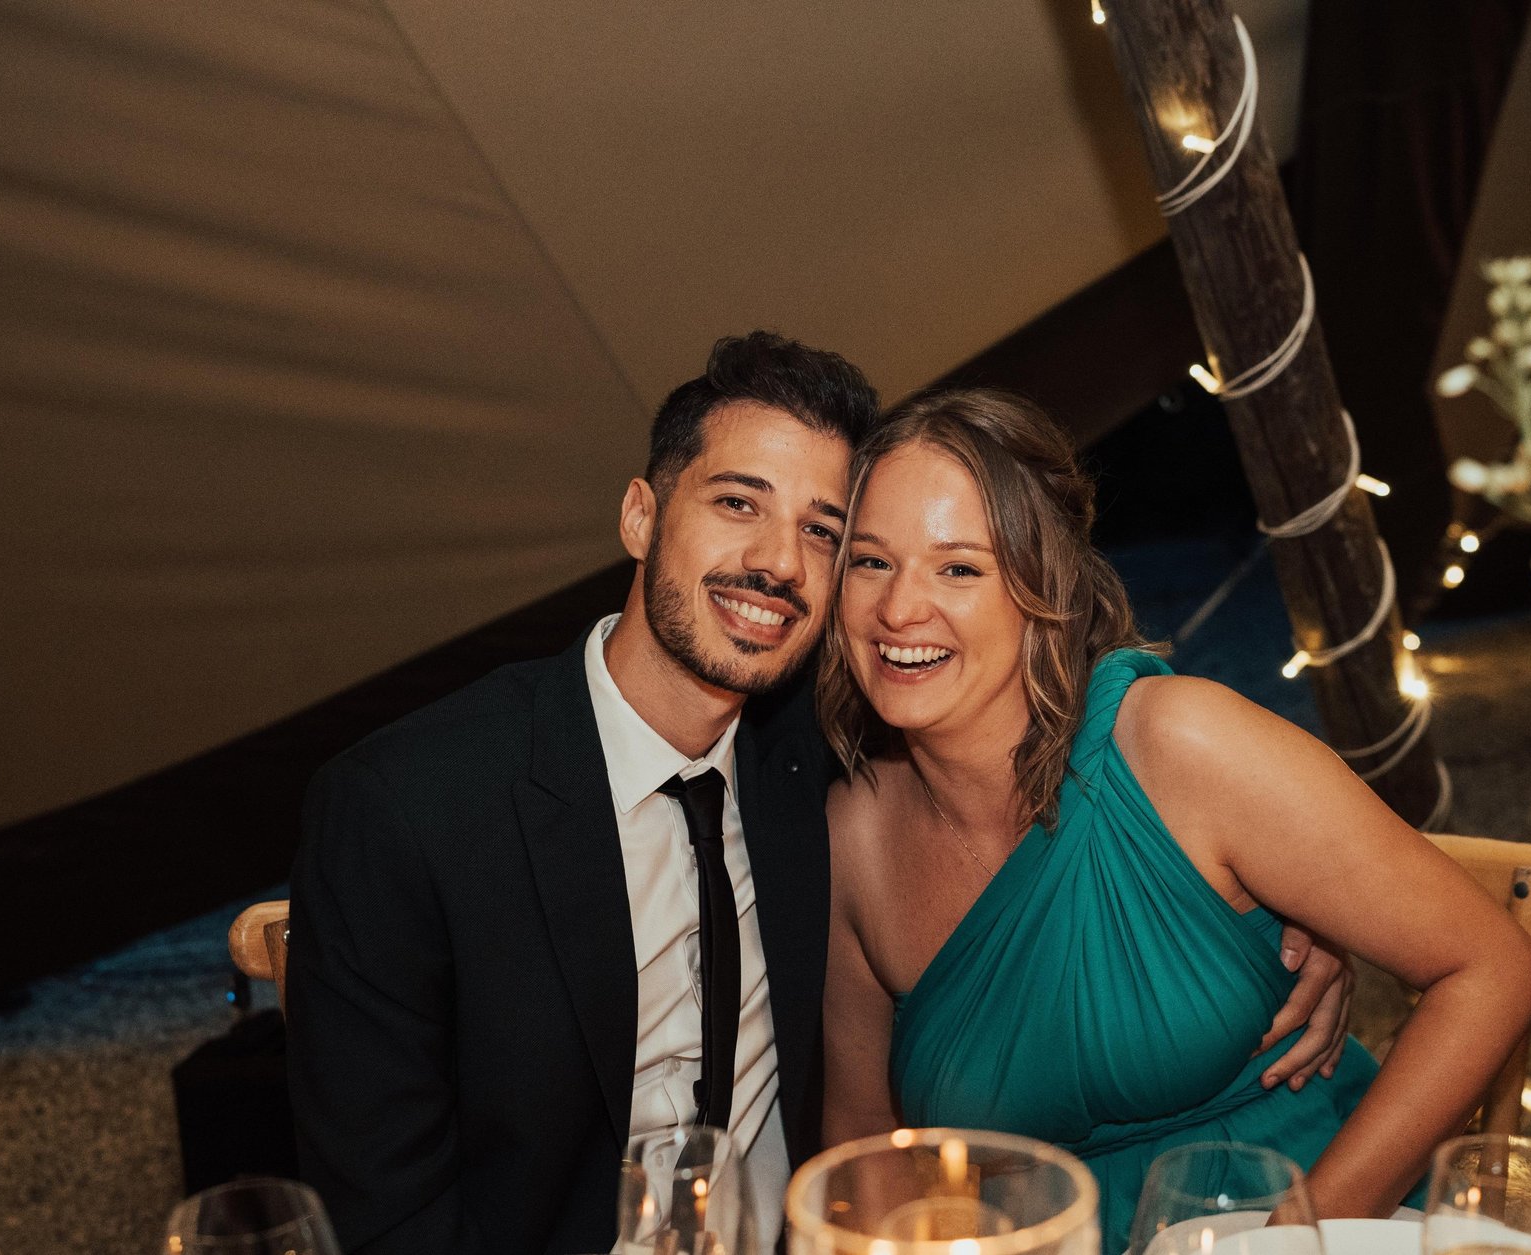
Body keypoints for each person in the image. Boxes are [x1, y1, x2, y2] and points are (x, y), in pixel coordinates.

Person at [287, 335, 1353, 1255]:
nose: (775, 563)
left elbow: (1055, 742)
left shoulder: (835, 751)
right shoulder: (413, 809)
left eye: (822, 532)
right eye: (739, 502)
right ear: (639, 513)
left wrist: (1277, 903)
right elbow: (381, 1219)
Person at [818, 389, 1531, 1252]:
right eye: (870, 562)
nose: (901, 610)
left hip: (1321, 1216)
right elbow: (864, 1151)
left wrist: (1290, 1237)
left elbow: (1493, 965)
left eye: (960, 567)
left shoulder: (1178, 745)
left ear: (1044, 587)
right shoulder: (854, 840)